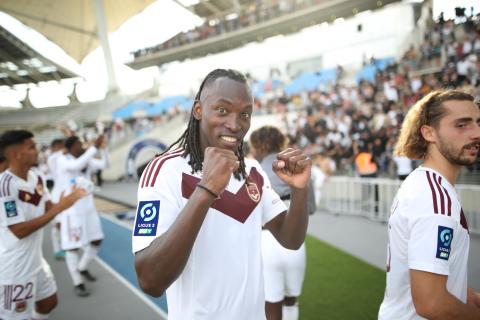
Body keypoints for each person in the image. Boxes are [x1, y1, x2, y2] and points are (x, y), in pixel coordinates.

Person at [132, 69, 312, 319]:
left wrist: (300, 189)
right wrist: (206, 190)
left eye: (245, 114)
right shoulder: (164, 170)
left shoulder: (252, 171)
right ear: (198, 110)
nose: (235, 124)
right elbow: (150, 280)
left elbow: (290, 240)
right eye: (222, 110)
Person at [378, 89, 480, 319]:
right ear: (429, 133)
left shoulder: (424, 182)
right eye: (461, 125)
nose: (476, 133)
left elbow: (424, 273)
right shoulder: (434, 200)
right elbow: (431, 303)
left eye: (477, 122)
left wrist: (466, 295)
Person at [0, 130, 86, 320]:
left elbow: (49, 208)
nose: (37, 150)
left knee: (49, 302)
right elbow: (19, 230)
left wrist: (67, 201)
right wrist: (58, 209)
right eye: (31, 147)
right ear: (16, 154)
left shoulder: (37, 176)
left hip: (36, 261)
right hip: (16, 268)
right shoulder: (5, 185)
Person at [249, 125, 309, 320]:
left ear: (257, 146)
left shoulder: (253, 170)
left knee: (271, 302)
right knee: (291, 299)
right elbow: (311, 208)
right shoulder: (297, 166)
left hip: (265, 241)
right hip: (295, 243)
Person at [53, 135, 107, 297]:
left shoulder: (86, 158)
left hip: (88, 208)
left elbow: (104, 164)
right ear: (69, 148)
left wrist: (104, 149)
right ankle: (78, 282)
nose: (80, 146)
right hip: (72, 210)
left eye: (80, 143)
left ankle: (82, 267)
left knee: (97, 240)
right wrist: (94, 148)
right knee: (72, 246)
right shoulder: (63, 160)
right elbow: (77, 164)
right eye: (77, 144)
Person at [46, 138, 65, 260]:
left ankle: (62, 247)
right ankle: (57, 249)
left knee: (63, 223)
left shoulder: (64, 158)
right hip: (56, 195)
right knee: (57, 224)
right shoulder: (52, 159)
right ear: (55, 148)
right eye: (61, 146)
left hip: (64, 194)